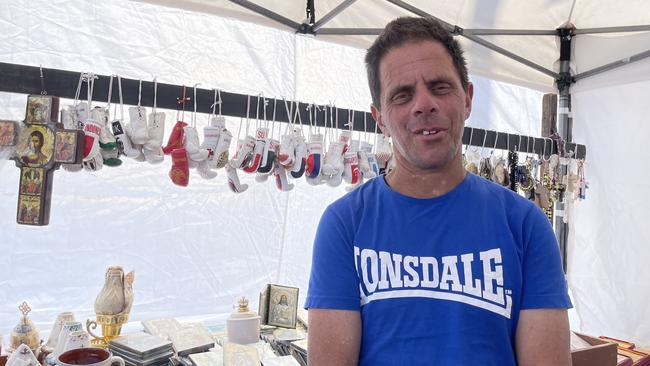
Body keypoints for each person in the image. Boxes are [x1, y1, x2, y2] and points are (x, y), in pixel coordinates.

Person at [305, 16, 572, 366]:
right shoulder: (344, 224)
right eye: (402, 95)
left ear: (467, 98)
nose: (423, 104)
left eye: (440, 86)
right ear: (380, 118)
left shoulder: (525, 225)